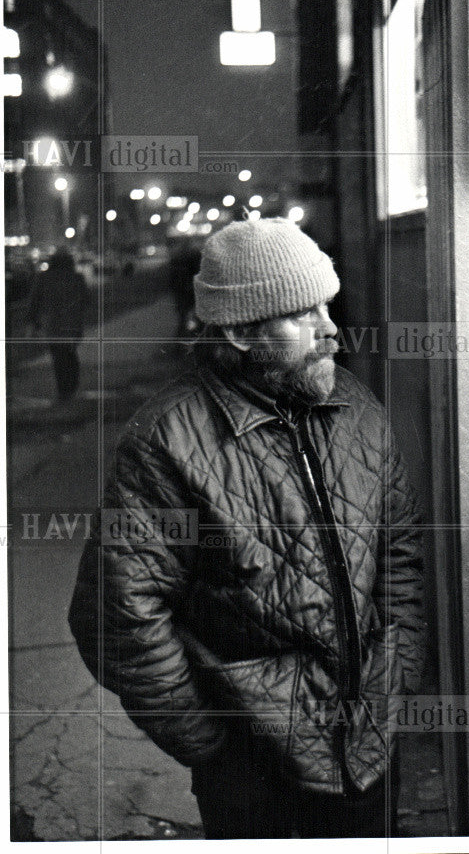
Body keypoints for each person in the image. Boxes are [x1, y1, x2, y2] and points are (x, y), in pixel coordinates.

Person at [68, 217, 425, 839]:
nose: (331, 328)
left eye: (328, 305)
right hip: (257, 779)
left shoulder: (358, 410)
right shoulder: (167, 440)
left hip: (370, 755)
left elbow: (400, 557)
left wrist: (394, 683)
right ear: (239, 331)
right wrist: (214, 748)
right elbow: (116, 616)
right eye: (302, 313)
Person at [27, 247, 89, 404]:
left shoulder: (44, 278)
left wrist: (33, 321)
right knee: (70, 355)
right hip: (72, 325)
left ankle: (63, 390)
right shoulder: (76, 278)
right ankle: (71, 387)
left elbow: (34, 301)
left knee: (58, 358)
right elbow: (86, 301)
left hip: (53, 325)